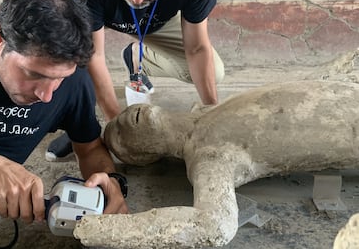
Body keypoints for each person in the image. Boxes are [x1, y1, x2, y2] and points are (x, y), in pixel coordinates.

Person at [74, 80, 359, 248]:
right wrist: (102, 230)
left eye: (117, 121)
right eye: (122, 136)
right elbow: (215, 225)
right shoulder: (208, 156)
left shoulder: (205, 111)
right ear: (145, 154)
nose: (121, 121)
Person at [0, 0, 128, 231]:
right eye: (35, 74)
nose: (46, 95)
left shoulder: (74, 85)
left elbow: (89, 149)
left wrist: (110, 181)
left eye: (59, 78)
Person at [46, 0, 225, 160]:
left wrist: (213, 117)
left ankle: (138, 58)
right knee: (69, 60)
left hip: (157, 21)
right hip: (101, 15)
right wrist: (118, 130)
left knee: (214, 72)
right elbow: (94, 55)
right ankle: (81, 128)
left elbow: (197, 48)